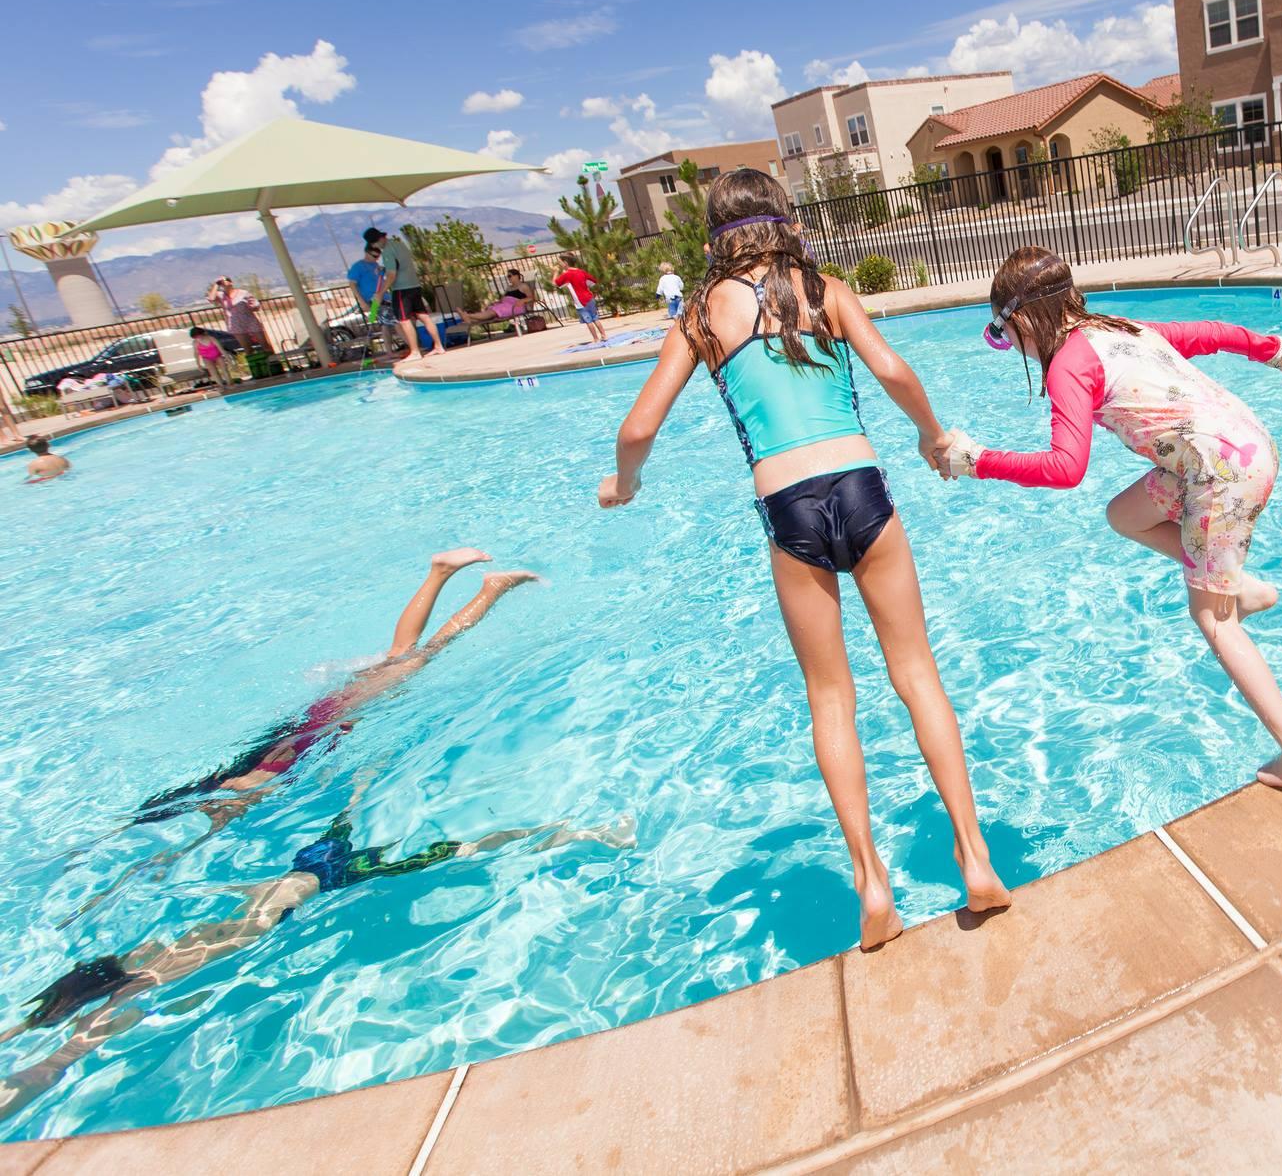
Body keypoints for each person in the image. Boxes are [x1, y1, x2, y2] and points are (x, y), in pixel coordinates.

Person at [597, 168, 1009, 950]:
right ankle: (975, 857)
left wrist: (625, 484)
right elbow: (893, 370)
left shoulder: (699, 315)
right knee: (917, 673)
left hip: (788, 508)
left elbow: (639, 426)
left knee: (830, 698)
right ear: (785, 220)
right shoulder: (826, 290)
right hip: (861, 486)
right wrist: (930, 436)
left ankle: (872, 882)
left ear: (714, 233)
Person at [0, 775, 632, 1124]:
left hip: (302, 880)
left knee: (430, 841)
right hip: (312, 881)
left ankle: (578, 832)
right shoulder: (140, 973)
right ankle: (583, 833)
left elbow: (47, 1045)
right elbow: (51, 1066)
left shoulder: (130, 971)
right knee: (455, 850)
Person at [934, 247, 1282, 791]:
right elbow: (1213, 333)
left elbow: (1066, 468)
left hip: (1220, 475)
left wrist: (977, 461)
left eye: (1003, 334)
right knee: (1124, 514)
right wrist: (1278, 352)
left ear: (1020, 320)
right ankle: (1244, 587)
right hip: (1247, 447)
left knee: (1213, 620)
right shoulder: (1121, 329)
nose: (1012, 346)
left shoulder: (1068, 365)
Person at [135, 550, 533, 830]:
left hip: (340, 709)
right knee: (405, 652)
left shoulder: (252, 779)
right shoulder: (251, 777)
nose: (228, 818)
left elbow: (295, 747)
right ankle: (465, 579)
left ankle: (473, 582)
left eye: (219, 814)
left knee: (418, 655)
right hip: (337, 711)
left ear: (217, 796)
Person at [365, 228, 447, 361]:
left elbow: (391, 275)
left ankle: (415, 352)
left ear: (378, 240)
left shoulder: (387, 252)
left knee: (404, 320)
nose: (375, 247)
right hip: (414, 285)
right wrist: (385, 269)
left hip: (401, 289)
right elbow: (400, 265)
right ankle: (438, 346)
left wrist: (380, 293)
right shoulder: (399, 244)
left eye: (374, 244)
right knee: (424, 316)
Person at [346, 241, 393, 352]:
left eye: (378, 257)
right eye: (374, 256)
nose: (376, 259)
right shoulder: (358, 267)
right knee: (390, 322)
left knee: (385, 324)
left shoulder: (375, 265)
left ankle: (390, 351)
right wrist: (362, 302)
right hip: (373, 299)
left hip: (385, 297)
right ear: (367, 253)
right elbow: (352, 284)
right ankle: (393, 350)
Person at [553, 252, 607, 344]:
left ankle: (596, 338)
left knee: (588, 321)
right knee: (595, 318)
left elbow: (554, 283)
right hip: (589, 298)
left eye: (560, 262)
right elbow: (593, 282)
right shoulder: (581, 272)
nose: (559, 264)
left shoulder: (567, 274)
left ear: (565, 263)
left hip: (580, 302)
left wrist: (555, 272)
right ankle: (604, 335)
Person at [207, 278, 267, 357]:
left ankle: (273, 361)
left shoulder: (243, 293)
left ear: (231, 282)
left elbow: (255, 305)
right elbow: (211, 299)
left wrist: (253, 306)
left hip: (250, 321)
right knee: (248, 349)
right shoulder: (221, 295)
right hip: (235, 324)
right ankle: (255, 363)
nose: (223, 282)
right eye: (221, 282)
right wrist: (216, 284)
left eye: (224, 280)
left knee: (264, 345)